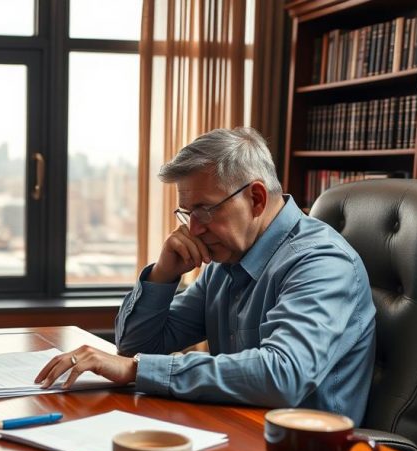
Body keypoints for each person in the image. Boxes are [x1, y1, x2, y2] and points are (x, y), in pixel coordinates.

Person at [35, 127, 376, 424]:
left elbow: (283, 375)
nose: (193, 229)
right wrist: (162, 274)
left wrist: (138, 370)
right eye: (187, 212)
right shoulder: (227, 261)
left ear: (255, 199)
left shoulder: (321, 263)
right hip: (237, 429)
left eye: (205, 210)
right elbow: (136, 347)